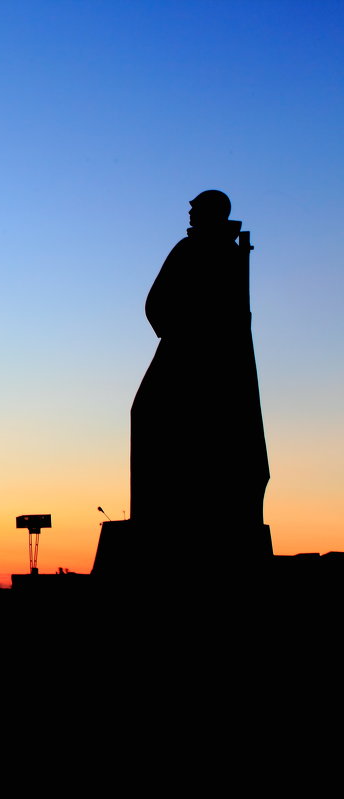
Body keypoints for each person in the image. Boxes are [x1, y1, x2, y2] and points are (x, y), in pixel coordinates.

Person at [130, 190, 269, 540]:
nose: (189, 211)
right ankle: (162, 507)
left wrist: (182, 331)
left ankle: (171, 511)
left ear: (212, 212)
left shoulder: (206, 250)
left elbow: (224, 312)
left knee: (154, 413)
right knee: (152, 415)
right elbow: (160, 300)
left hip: (193, 351)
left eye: (197, 207)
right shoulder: (204, 248)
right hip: (185, 344)